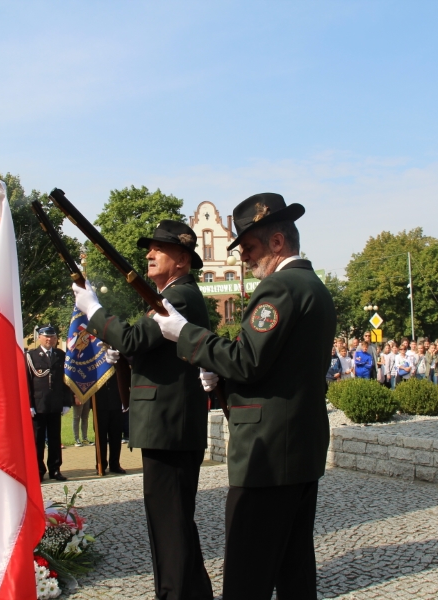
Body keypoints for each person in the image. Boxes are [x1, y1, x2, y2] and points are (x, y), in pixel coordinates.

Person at [151, 193, 335, 599]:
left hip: (267, 453)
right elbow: (279, 372)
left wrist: (185, 334)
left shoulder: (281, 288)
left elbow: (248, 359)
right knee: (294, 571)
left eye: (250, 248)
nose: (245, 259)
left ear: (277, 243)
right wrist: (223, 380)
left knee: (246, 577)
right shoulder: (314, 287)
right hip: (299, 447)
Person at [72, 219, 214, 600]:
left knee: (169, 525)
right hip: (169, 424)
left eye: (159, 249)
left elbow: (133, 336)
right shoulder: (172, 295)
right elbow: (142, 345)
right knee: (174, 522)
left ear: (182, 259)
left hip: (170, 426)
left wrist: (93, 310)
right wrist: (129, 352)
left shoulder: (179, 296)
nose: (149, 254)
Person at [26, 325, 73, 481]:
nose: (49, 339)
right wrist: (29, 404)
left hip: (55, 404)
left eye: (52, 337)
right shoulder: (31, 356)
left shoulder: (61, 355)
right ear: (39, 337)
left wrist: (67, 402)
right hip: (38, 405)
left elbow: (66, 381)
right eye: (46, 336)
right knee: (37, 440)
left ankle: (55, 469)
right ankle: (38, 470)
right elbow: (27, 382)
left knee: (55, 439)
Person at [92, 357, 125, 475]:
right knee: (100, 437)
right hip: (100, 403)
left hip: (116, 401)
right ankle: (101, 464)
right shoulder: (94, 356)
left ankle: (115, 464)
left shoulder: (118, 354)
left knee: (116, 436)